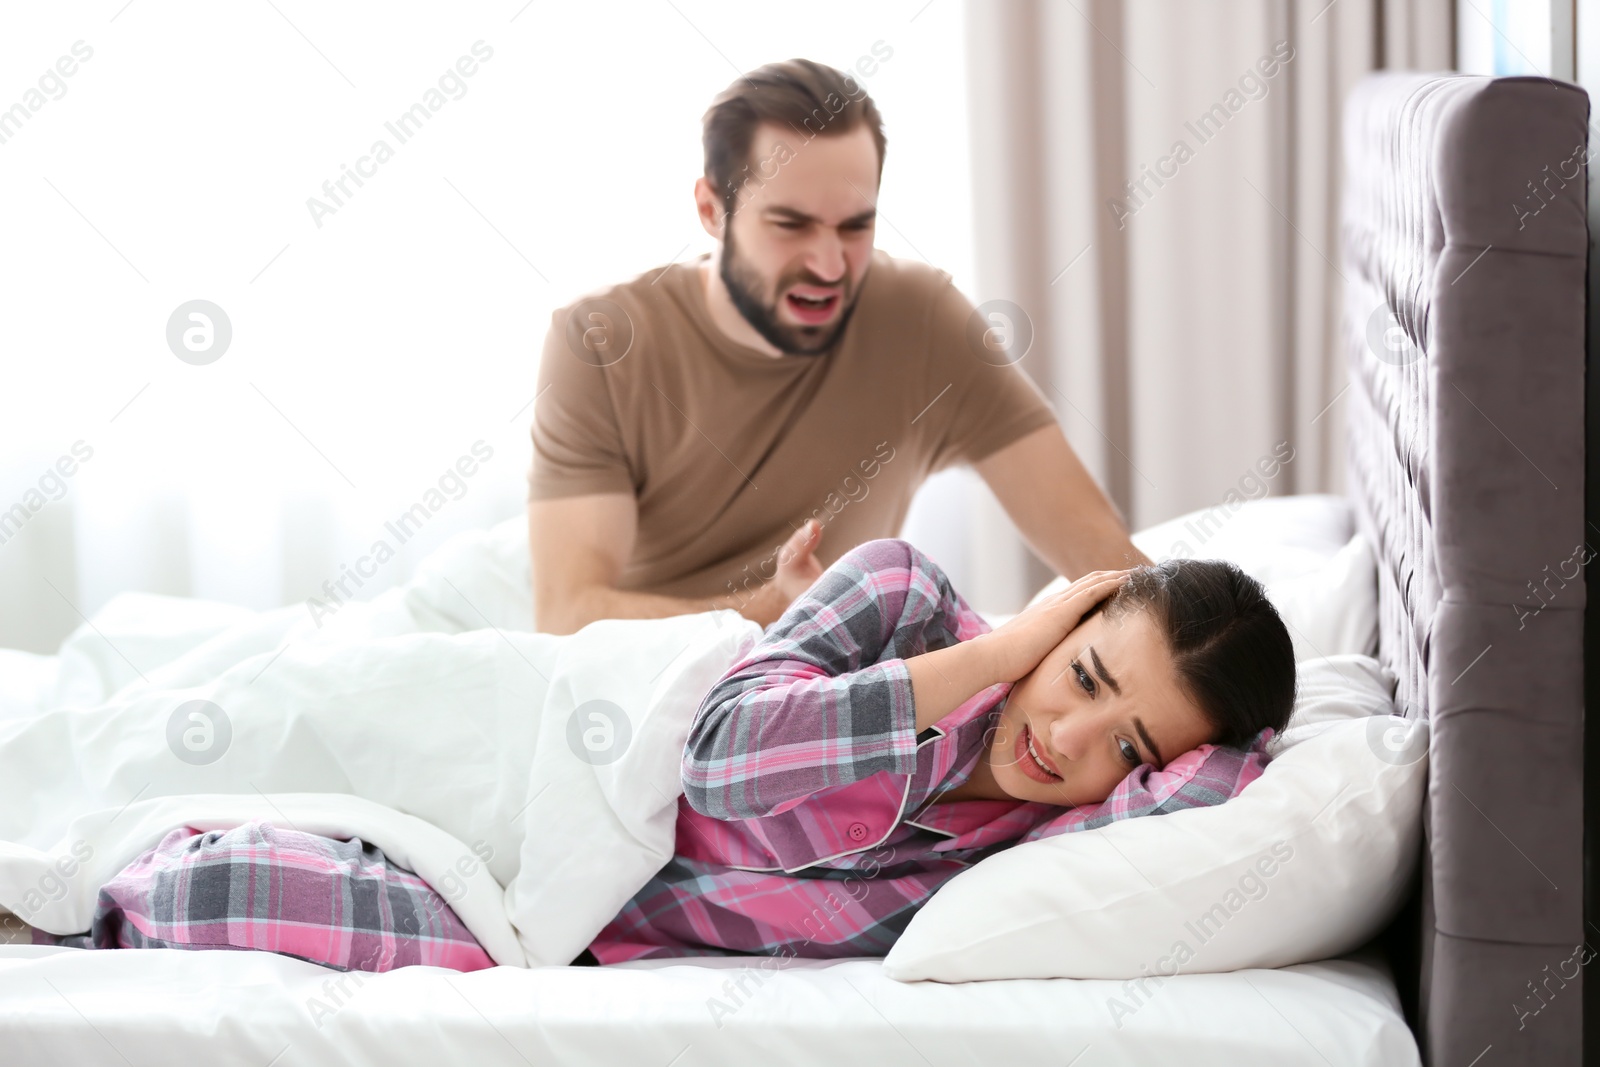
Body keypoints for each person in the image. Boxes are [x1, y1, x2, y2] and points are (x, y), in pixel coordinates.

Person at [40, 538, 1294, 970]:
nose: (1064, 737)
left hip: (571, 914)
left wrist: (1235, 730)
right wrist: (999, 650)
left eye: (1120, 744)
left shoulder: (1045, 846)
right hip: (553, 745)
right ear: (1063, 619)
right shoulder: (908, 597)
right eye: (1081, 673)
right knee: (228, 728)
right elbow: (720, 759)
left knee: (217, 886)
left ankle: (57, 911)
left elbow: (1233, 782)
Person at [527, 57, 1150, 635]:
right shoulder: (599, 341)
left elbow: (1101, 555)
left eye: (856, 226)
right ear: (712, 210)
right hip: (652, 692)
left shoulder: (922, 321)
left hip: (836, 683)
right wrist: (770, 611)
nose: (829, 266)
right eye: (790, 225)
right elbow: (567, 613)